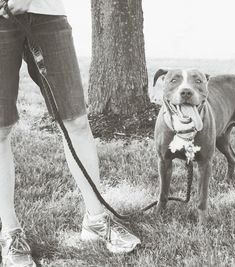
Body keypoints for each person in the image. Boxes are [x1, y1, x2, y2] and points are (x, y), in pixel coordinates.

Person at [0, 0, 140, 266]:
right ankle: (10, 232)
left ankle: (96, 220)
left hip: (47, 13)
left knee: (76, 120)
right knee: (0, 129)